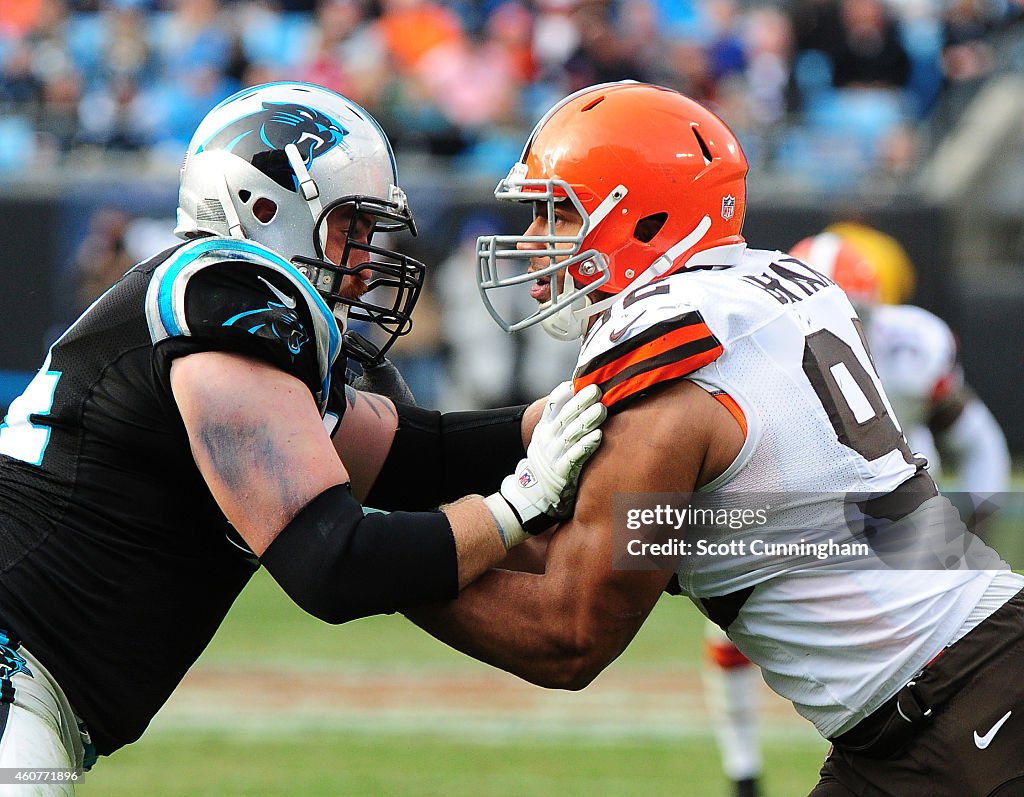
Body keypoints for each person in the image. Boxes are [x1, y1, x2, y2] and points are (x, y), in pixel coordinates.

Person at [407, 81, 1024, 796]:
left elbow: (567, 632)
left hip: (970, 697)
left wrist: (368, 561)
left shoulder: (680, 364)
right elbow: (649, 536)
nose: (539, 243)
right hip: (928, 696)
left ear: (641, 217)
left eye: (559, 214)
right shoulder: (768, 293)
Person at [0, 81, 607, 792]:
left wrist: (572, 413)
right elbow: (332, 563)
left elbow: (417, 454)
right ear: (263, 207)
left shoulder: (209, 307)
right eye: (350, 224)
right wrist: (521, 502)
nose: (364, 258)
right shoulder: (225, 301)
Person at [702, 228, 1013, 797]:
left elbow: (977, 436)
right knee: (732, 618)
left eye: (857, 312)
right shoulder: (742, 372)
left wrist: (976, 521)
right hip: (798, 517)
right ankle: (743, 772)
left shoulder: (914, 348)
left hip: (903, 513)